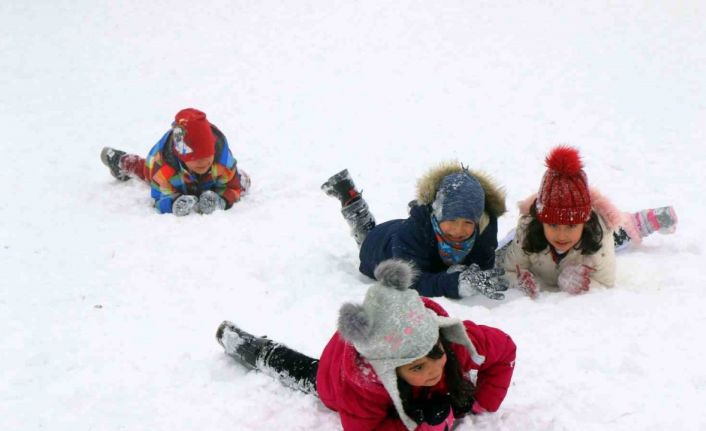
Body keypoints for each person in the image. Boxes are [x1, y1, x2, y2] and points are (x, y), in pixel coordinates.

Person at [216, 259, 516, 430]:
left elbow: (505, 352)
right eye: (417, 367)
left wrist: (481, 402)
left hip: (382, 337)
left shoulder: (451, 340)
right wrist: (420, 425)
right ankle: (252, 348)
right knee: (305, 372)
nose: (433, 368)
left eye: (435, 354)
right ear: (390, 370)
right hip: (336, 374)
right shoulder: (362, 386)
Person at [496, 145, 678, 298]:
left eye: (571, 225)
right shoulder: (527, 232)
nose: (561, 235)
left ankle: (641, 221)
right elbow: (507, 270)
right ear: (541, 220)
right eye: (552, 225)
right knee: (510, 243)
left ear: (584, 221)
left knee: (620, 234)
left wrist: (583, 283)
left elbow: (606, 282)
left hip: (593, 237)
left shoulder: (599, 235)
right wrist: (520, 281)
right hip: (536, 236)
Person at [321, 163, 508, 300]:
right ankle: (351, 200)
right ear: (437, 213)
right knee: (366, 234)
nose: (458, 230)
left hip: (412, 235)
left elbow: (483, 264)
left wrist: (470, 274)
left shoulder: (485, 227)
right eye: (451, 220)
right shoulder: (411, 233)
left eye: (468, 222)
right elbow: (409, 282)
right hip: (380, 246)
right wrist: (454, 283)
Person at [100, 108, 249, 216]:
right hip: (170, 174)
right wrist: (174, 203)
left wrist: (221, 200)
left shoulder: (222, 161)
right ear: (182, 156)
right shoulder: (164, 169)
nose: (203, 162)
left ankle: (239, 177)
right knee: (145, 170)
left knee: (239, 181)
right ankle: (121, 161)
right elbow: (158, 197)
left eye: (207, 155)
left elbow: (232, 187)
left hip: (210, 179)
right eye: (196, 158)